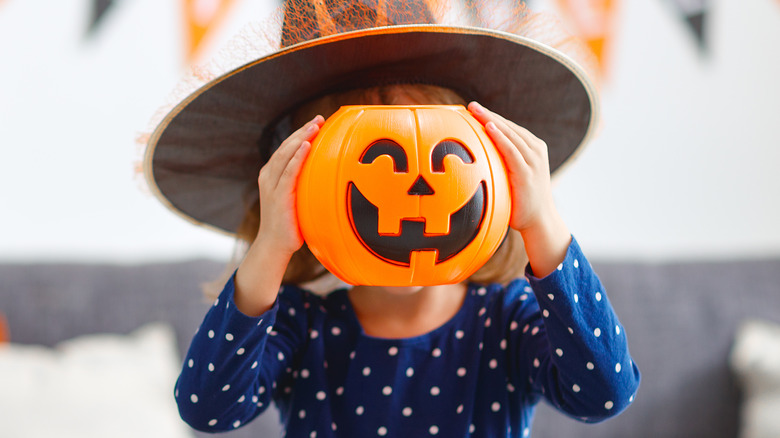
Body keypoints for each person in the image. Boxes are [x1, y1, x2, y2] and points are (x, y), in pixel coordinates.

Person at [143, 2, 640, 436]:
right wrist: (272, 245)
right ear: (302, 193)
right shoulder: (302, 328)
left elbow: (604, 394)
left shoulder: (506, 320)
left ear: (492, 181)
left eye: (441, 162)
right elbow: (207, 409)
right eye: (380, 163)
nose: (416, 193)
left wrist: (543, 223)